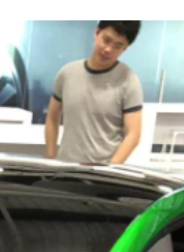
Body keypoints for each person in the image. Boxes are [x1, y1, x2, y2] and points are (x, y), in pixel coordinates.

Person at [45, 21, 144, 165]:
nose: (108, 49)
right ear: (97, 32)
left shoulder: (128, 81)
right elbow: (52, 117)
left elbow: (133, 135)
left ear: (125, 48)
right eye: (106, 40)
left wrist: (109, 169)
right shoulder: (67, 73)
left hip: (103, 173)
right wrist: (50, 159)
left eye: (118, 46)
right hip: (65, 169)